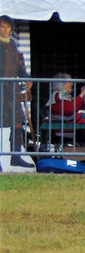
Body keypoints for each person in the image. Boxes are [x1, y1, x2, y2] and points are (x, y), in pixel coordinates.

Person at [0, 15, 33, 169]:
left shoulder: (12, 44)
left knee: (18, 120)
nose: (5, 30)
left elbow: (19, 67)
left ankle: (16, 156)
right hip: (0, 89)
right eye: (2, 26)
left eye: (7, 27)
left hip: (11, 90)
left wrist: (27, 77)